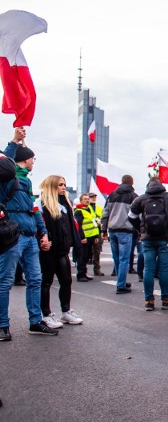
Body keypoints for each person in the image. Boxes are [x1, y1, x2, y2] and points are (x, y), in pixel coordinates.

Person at [0, 128, 57, 340]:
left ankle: (35, 322)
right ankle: (2, 326)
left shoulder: (27, 180)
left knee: (35, 279)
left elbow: (32, 209)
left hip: (30, 236)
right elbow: (3, 161)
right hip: (11, 237)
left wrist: (42, 232)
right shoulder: (6, 177)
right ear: (25, 160)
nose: (34, 162)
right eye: (33, 159)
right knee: (4, 281)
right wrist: (15, 141)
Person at [128, 177, 168, 311]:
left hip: (147, 239)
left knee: (149, 269)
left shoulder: (141, 199)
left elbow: (131, 216)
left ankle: (149, 301)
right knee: (164, 270)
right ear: (161, 185)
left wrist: (141, 229)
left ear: (149, 185)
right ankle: (166, 299)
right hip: (166, 238)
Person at [37, 176, 84, 328]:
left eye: (65, 185)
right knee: (46, 282)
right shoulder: (41, 203)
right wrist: (43, 240)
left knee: (66, 281)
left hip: (63, 250)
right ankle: (46, 314)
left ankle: (66, 311)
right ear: (52, 186)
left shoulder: (65, 205)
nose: (63, 188)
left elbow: (71, 228)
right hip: (48, 250)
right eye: (60, 185)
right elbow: (38, 225)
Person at [101, 175, 137, 294]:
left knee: (117, 258)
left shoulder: (112, 195)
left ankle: (121, 280)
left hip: (112, 230)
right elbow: (138, 215)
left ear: (121, 182)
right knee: (124, 259)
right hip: (126, 230)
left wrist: (103, 229)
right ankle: (121, 285)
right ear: (132, 183)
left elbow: (105, 213)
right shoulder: (133, 196)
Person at [74, 193, 99, 282]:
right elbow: (78, 226)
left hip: (91, 236)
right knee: (82, 257)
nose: (87, 200)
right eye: (85, 199)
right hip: (85, 238)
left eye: (88, 199)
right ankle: (80, 275)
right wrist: (81, 237)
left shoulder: (90, 209)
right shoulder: (79, 211)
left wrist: (96, 236)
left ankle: (84, 273)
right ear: (81, 201)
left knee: (88, 256)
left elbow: (94, 223)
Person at [88, 192, 105, 276]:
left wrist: (102, 228)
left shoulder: (98, 208)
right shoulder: (85, 207)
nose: (93, 198)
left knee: (97, 251)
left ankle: (97, 269)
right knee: (86, 252)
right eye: (91, 197)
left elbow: (102, 217)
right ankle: (83, 271)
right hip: (87, 232)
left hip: (97, 231)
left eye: (94, 197)